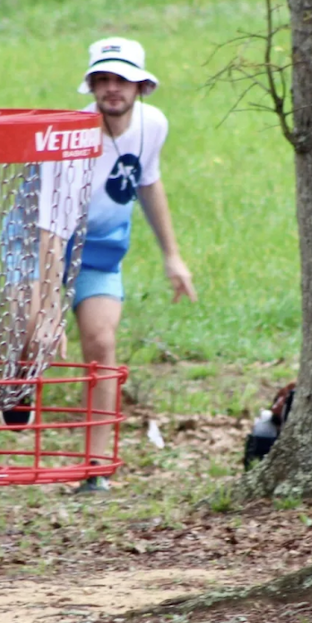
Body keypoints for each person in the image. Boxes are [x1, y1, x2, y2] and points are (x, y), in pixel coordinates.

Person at [70, 37, 196, 492]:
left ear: (140, 85)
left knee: (100, 344)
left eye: (121, 79)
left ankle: (95, 468)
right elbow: (44, 223)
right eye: (102, 79)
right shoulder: (71, 135)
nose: (112, 89)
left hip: (101, 249)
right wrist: (44, 295)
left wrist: (172, 257)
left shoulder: (153, 125)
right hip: (40, 245)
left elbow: (148, 183)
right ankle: (19, 382)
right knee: (34, 338)